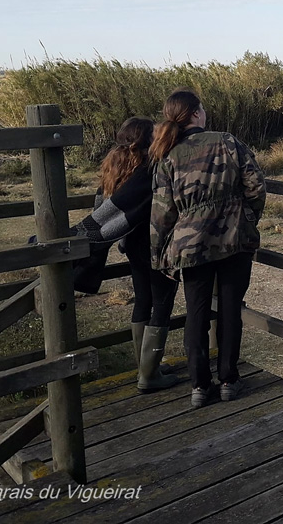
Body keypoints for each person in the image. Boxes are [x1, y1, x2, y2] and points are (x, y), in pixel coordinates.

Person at [149, 89, 266, 408]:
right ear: (197, 114)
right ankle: (229, 381)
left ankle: (199, 386)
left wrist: (159, 254)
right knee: (230, 309)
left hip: (190, 245)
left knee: (196, 313)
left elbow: (162, 211)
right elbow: (255, 186)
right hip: (234, 239)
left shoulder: (168, 155)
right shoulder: (228, 141)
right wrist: (247, 217)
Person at [73, 116, 179, 392]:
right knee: (163, 302)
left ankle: (145, 366)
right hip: (154, 244)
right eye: (153, 134)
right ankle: (149, 375)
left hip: (131, 245)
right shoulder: (148, 169)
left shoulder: (113, 164)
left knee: (143, 300)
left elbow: (105, 205)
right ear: (144, 139)